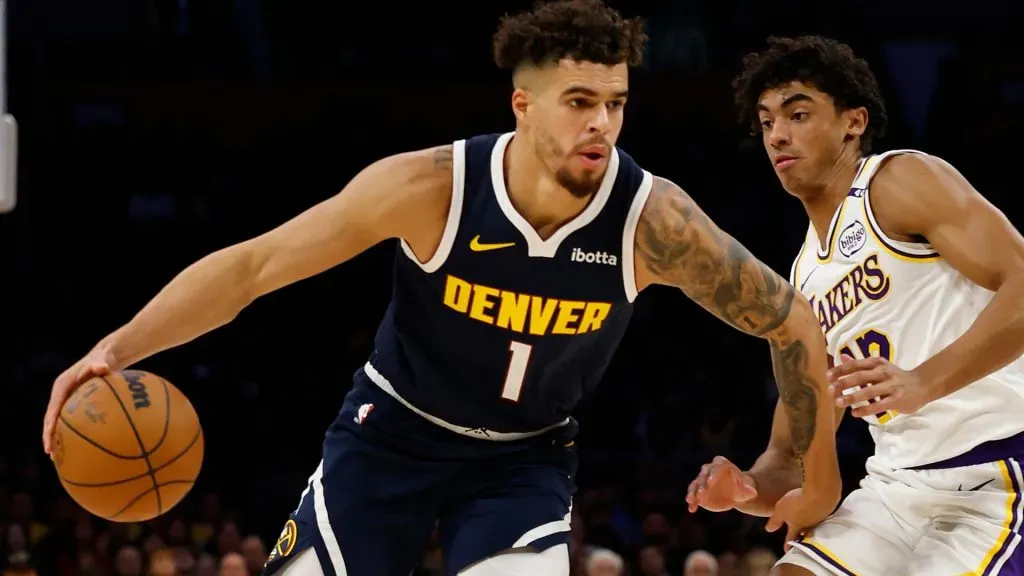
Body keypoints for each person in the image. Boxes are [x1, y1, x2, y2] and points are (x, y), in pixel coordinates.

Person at [43, 5, 841, 576]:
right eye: (579, 102)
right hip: (388, 435)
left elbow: (792, 322)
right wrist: (115, 349)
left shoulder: (652, 222)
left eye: (616, 104)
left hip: (522, 460)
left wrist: (792, 466)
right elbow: (255, 267)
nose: (602, 123)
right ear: (522, 106)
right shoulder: (432, 187)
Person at [686, 35, 1024, 575]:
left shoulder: (899, 181)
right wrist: (745, 488)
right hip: (894, 488)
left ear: (854, 122)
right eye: (767, 121)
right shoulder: (803, 279)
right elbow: (792, 453)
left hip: (997, 470)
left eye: (798, 114)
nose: (778, 134)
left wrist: (924, 382)